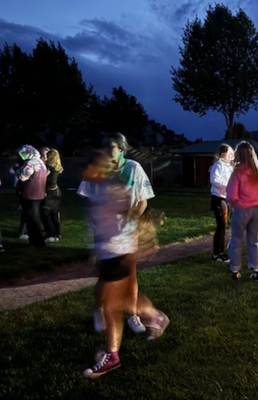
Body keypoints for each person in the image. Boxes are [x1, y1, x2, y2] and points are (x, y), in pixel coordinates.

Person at [78, 134, 168, 379]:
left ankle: (112, 355)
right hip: (115, 249)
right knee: (122, 300)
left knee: (111, 306)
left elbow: (135, 208)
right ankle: (154, 317)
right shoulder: (102, 186)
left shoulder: (115, 186)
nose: (87, 170)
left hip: (118, 250)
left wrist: (144, 233)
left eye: (91, 165)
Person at [226, 141, 258, 280]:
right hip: (257, 209)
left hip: (242, 209)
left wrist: (234, 203)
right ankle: (256, 268)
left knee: (236, 240)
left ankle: (235, 270)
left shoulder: (237, 172)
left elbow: (231, 195)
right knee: (253, 240)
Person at [16, 145, 47, 247]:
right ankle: (36, 241)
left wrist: (18, 170)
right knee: (35, 218)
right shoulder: (41, 163)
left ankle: (36, 241)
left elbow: (22, 177)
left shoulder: (30, 164)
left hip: (30, 194)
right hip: (39, 194)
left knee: (32, 220)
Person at [209, 144, 234, 262]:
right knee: (221, 226)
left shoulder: (229, 166)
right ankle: (216, 254)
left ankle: (221, 252)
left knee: (223, 226)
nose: (232, 155)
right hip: (219, 198)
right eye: (230, 152)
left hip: (225, 198)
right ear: (223, 153)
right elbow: (214, 180)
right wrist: (228, 185)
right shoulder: (218, 165)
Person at [40, 147, 63, 242]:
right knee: (54, 214)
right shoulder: (56, 167)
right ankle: (57, 234)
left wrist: (43, 156)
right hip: (56, 191)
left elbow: (44, 178)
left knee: (45, 214)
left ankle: (51, 234)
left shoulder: (50, 168)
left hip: (50, 193)